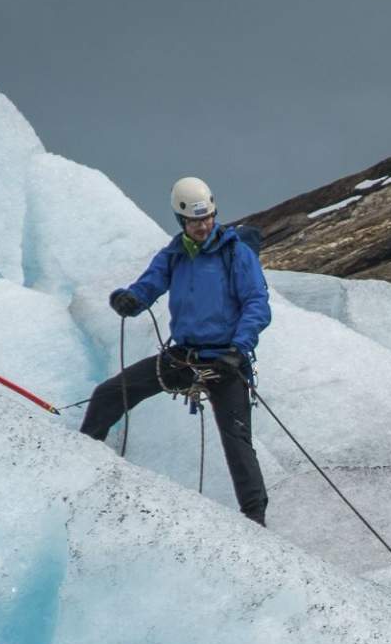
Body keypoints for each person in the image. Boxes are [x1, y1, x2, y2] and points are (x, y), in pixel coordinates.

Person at [79, 177, 272, 525]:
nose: (204, 225)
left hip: (226, 362)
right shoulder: (174, 255)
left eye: (209, 217)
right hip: (184, 358)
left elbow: (257, 304)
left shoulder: (236, 254)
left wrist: (238, 350)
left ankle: (255, 519)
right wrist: (129, 300)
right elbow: (149, 285)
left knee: (236, 439)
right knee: (110, 394)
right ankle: (76, 465)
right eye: (196, 220)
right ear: (181, 220)